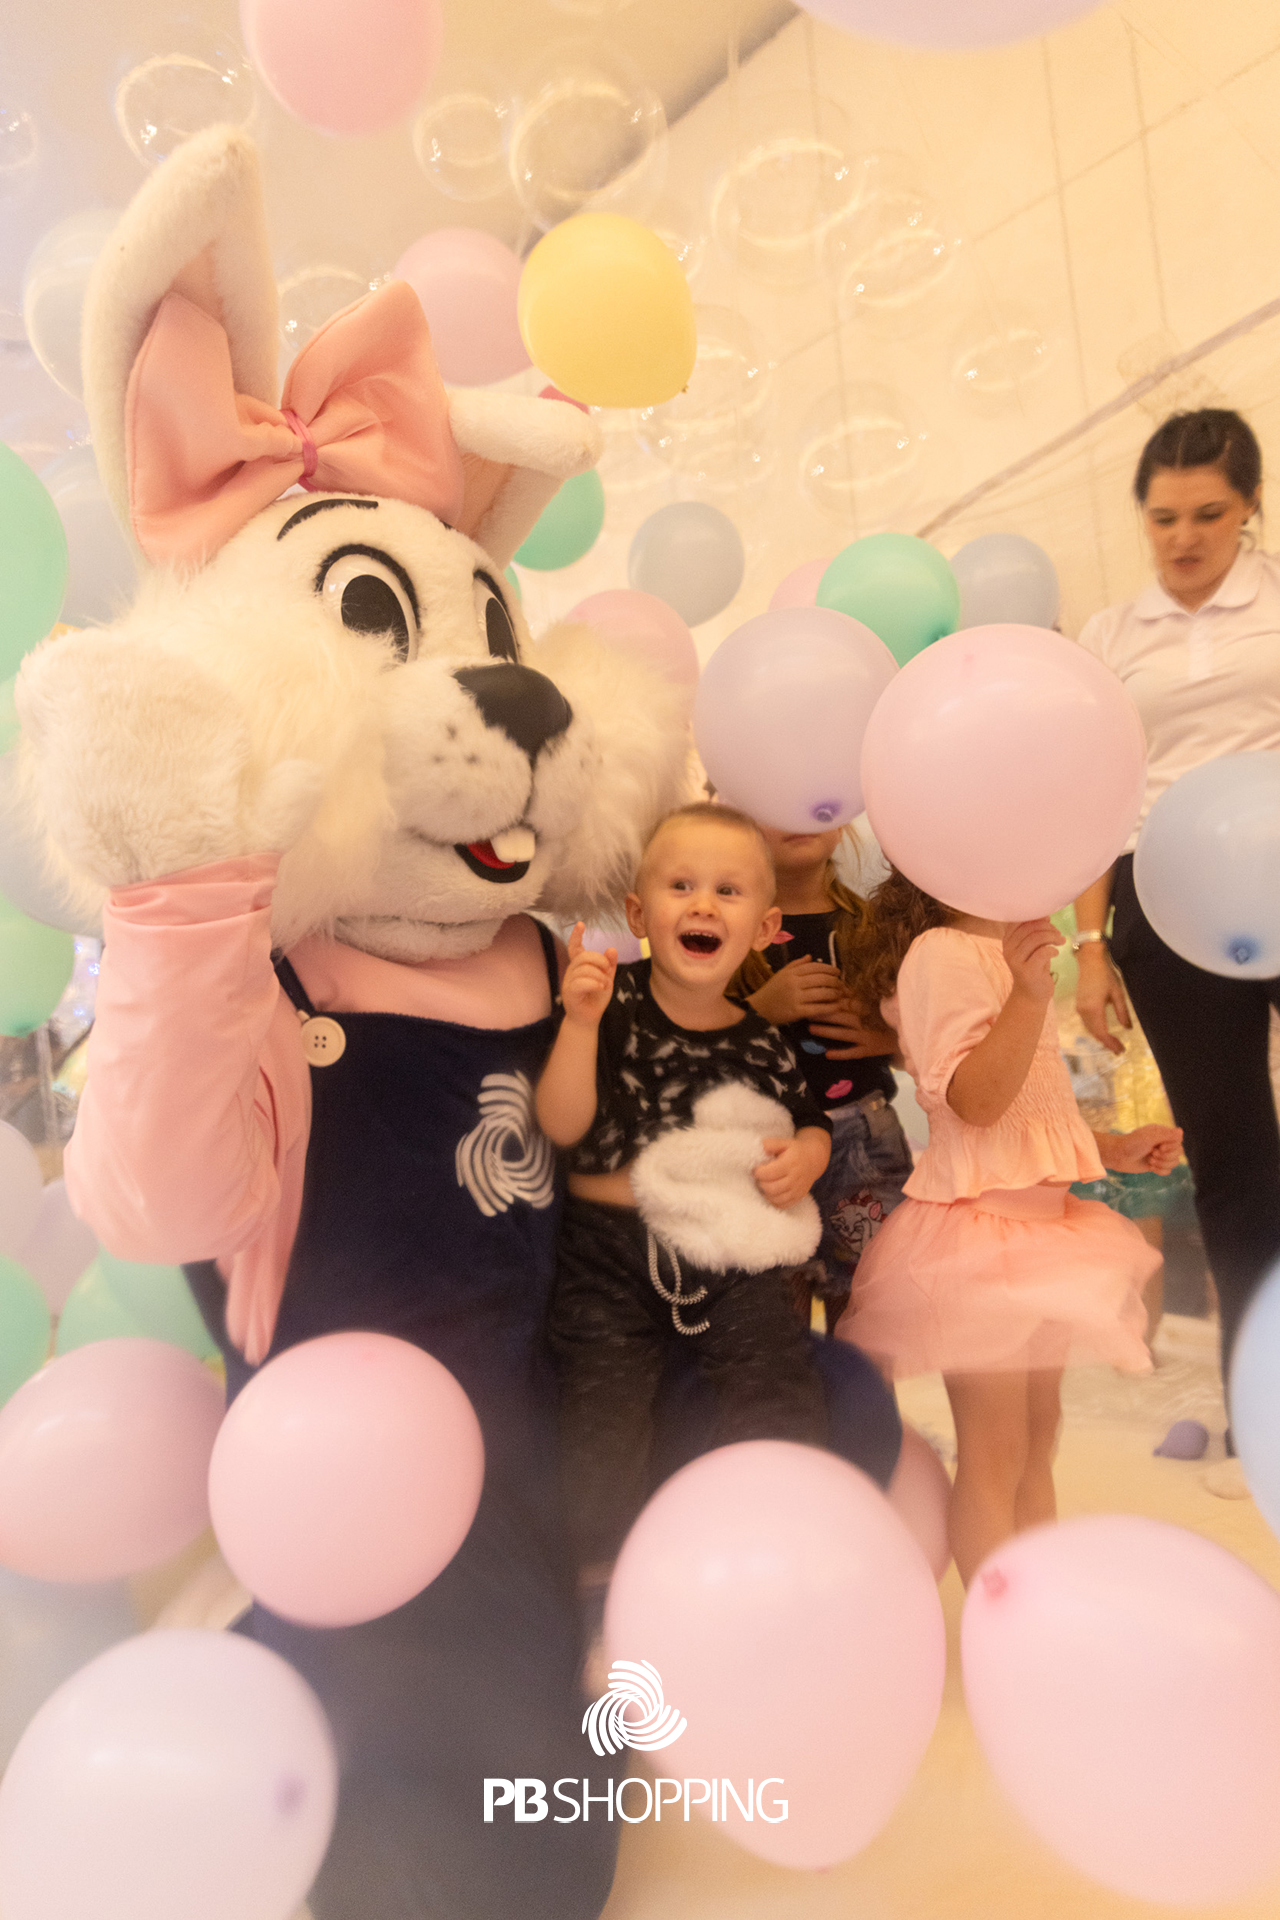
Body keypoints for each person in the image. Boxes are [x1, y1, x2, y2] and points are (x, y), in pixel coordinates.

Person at [835, 867, 1182, 1584]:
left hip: (1045, 1233)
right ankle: (998, 1620)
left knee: (1036, 1440)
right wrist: (1026, 995)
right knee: (994, 1453)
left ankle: (1036, 1601)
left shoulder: (1009, 948)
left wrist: (1113, 1149)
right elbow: (977, 1102)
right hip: (978, 1241)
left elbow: (1030, 1111)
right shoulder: (941, 952)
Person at [537, 802, 833, 1610]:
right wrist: (579, 1025)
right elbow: (560, 1125)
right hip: (606, 1251)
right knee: (601, 1413)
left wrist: (810, 1155)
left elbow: (808, 1118)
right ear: (639, 914)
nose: (703, 904)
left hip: (717, 1251)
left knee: (776, 1376)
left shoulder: (761, 1039)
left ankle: (773, 1545)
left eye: (727, 891)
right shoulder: (612, 1004)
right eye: (681, 887)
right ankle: (599, 1589)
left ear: (764, 928)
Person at [1072, 408, 1280, 1487]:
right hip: (1164, 909)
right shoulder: (1111, 636)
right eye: (1163, 518)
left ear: (1249, 507)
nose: (1184, 537)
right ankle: (1261, 1411)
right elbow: (1096, 794)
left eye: (1208, 514)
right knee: (1235, 1165)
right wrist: (1088, 944)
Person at [732, 825, 913, 1332]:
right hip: (762, 1151)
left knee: (867, 1322)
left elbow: (928, 1048)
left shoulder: (870, 925)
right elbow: (691, 1040)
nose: (800, 819)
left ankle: (861, 1392)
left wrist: (888, 1040)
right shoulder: (728, 926)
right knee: (775, 1330)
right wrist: (761, 1010)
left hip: (864, 1144)